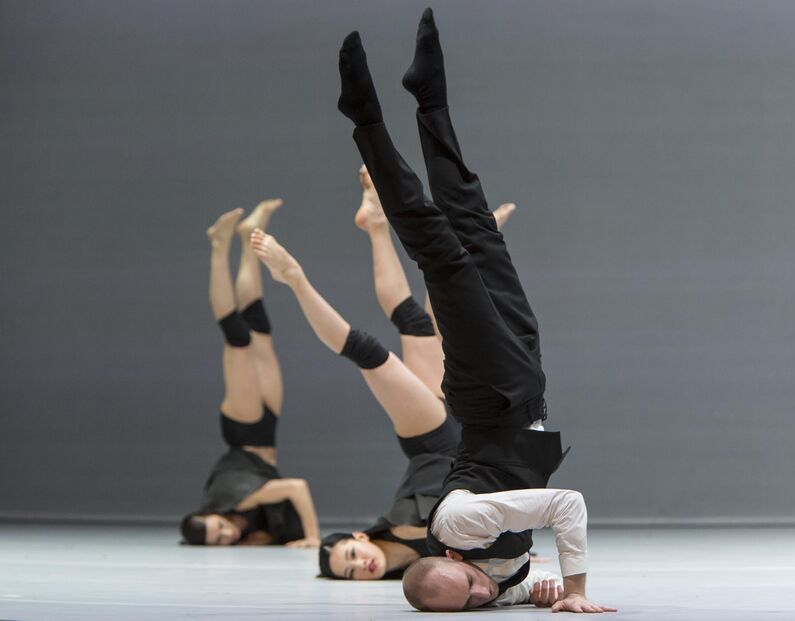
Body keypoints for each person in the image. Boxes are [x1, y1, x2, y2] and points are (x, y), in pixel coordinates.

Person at [334, 8, 617, 612]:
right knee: (478, 230)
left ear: (454, 559)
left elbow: (567, 506)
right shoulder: (494, 584)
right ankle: (430, 100)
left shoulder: (462, 524)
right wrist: (535, 592)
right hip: (523, 389)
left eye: (469, 589)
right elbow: (511, 588)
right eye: (472, 603)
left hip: (492, 393)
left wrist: (574, 593)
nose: (482, 595)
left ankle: (365, 118)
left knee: (442, 254)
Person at [248, 167, 515, 579]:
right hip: (465, 431)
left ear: (360, 537)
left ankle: (295, 278)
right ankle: (379, 225)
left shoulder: (396, 530)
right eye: (352, 571)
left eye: (351, 556)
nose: (361, 566)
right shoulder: (405, 576)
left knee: (368, 351)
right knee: (420, 320)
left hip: (436, 443)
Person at [180, 200, 320, 548]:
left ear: (215, 513)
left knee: (237, 338)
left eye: (219, 528)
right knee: (257, 324)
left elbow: (297, 488)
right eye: (221, 539)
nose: (227, 534)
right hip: (265, 432)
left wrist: (314, 538)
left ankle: (218, 244)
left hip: (244, 431)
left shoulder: (237, 500)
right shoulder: (244, 524)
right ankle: (247, 238)